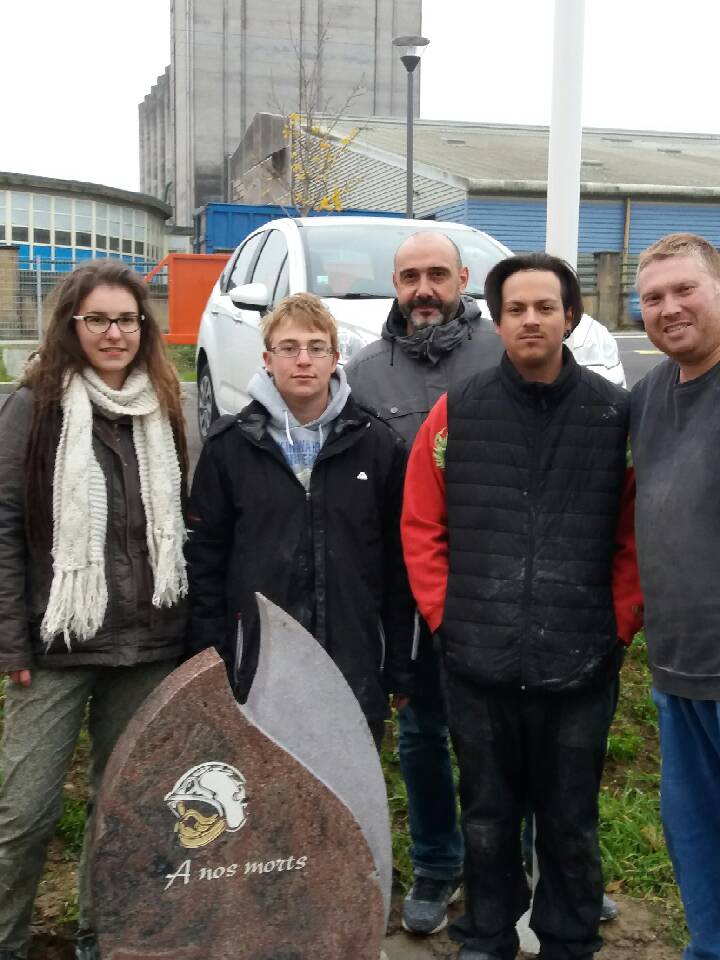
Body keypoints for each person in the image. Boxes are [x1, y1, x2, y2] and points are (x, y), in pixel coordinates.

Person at [401, 252, 642, 960]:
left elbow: (634, 536)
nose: (530, 319)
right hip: (477, 662)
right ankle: (486, 936)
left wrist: (618, 623)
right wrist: (448, 618)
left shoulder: (615, 416)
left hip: (582, 661)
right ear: (497, 320)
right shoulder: (457, 412)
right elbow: (421, 526)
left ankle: (569, 941)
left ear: (571, 316)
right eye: (515, 309)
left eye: (545, 307)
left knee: (571, 819)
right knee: (487, 818)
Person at [0, 261, 189, 960]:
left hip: (147, 644)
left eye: (127, 320)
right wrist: (12, 646)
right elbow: (4, 527)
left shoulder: (162, 405)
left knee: (125, 809)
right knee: (25, 813)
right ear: (71, 326)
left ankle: (102, 937)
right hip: (57, 642)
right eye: (98, 320)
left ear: (144, 328)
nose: (114, 333)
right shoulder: (33, 408)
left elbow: (174, 525)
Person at [346, 230, 502, 933]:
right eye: (410, 276)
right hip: (409, 590)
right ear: (395, 283)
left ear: (464, 277)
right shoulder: (365, 371)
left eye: (438, 274)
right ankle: (438, 864)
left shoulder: (505, 352)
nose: (424, 289)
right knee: (421, 731)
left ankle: (521, 861)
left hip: (499, 582)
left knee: (509, 732)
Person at [186, 292, 414, 747]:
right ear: (268, 360)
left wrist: (401, 668)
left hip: (353, 662)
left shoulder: (377, 445)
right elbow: (204, 560)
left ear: (335, 358)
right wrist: (210, 657)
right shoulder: (230, 447)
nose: (303, 360)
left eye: (316, 347)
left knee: (348, 797)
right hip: (260, 662)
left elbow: (399, 564)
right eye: (289, 348)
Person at [632, 232, 720, 960]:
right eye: (654, 297)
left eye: (685, 289)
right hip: (677, 665)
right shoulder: (650, 396)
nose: (669, 308)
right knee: (695, 835)